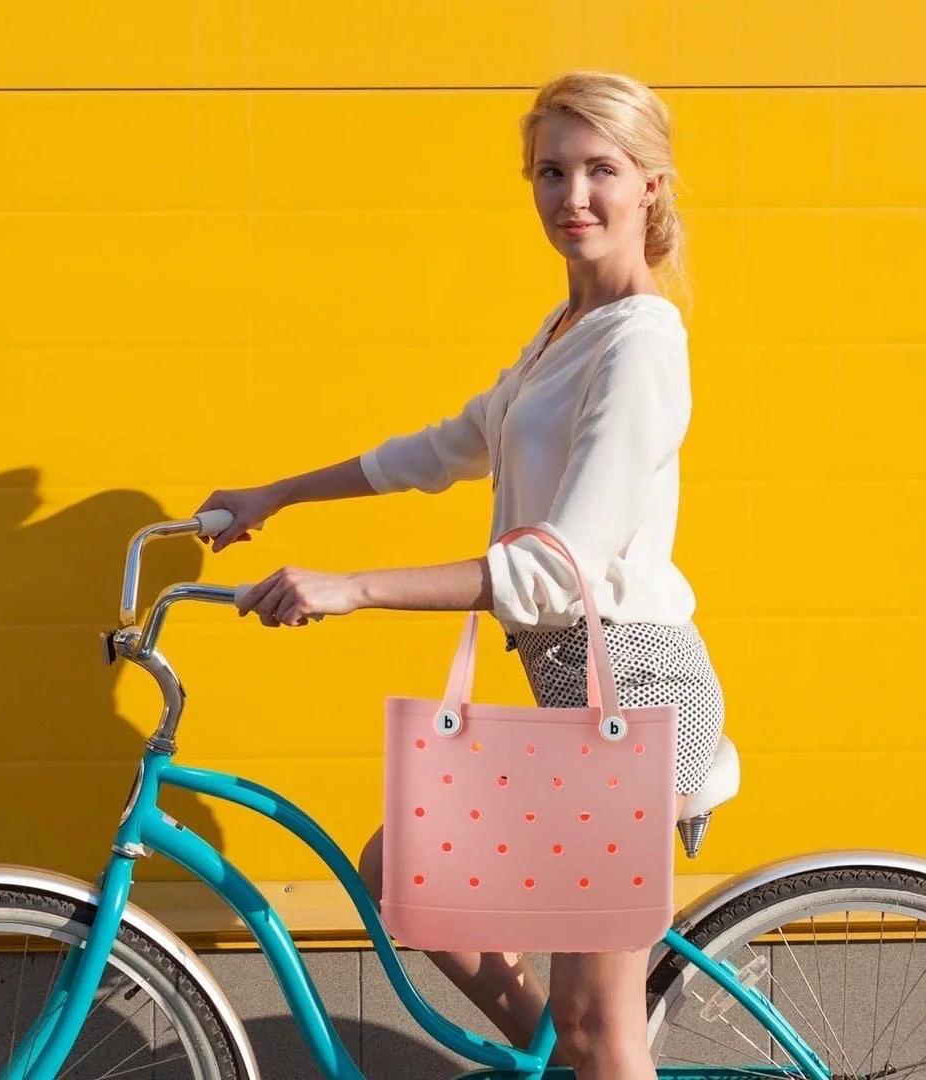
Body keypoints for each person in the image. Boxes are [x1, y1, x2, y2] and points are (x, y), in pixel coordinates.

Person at [195, 69, 725, 1080]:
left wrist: (353, 587)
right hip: (575, 686)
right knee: (404, 870)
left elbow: (555, 569)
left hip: (637, 694)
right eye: (550, 171)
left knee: (602, 1028)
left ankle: (590, 1049)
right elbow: (442, 448)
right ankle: (567, 1056)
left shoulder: (643, 346)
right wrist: (278, 493)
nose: (573, 196)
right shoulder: (565, 333)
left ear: (652, 184)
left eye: (600, 169)